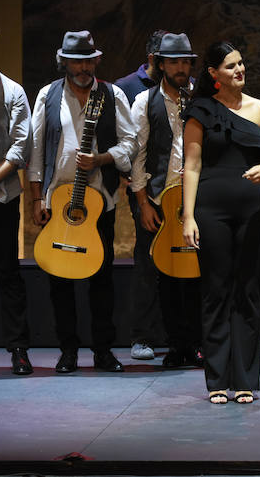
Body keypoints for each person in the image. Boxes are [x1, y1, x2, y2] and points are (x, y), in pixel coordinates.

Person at [182, 41, 260, 404]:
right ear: (213, 74)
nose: (240, 70)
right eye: (231, 66)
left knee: (248, 289)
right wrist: (187, 216)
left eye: (241, 63)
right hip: (210, 211)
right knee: (215, 291)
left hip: (254, 210)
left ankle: (244, 378)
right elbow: (191, 167)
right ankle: (216, 380)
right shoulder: (199, 111)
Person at [28, 30, 137, 373]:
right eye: (77, 60)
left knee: (101, 280)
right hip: (57, 199)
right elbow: (34, 150)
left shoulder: (111, 94)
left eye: (89, 59)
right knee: (59, 280)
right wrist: (35, 197)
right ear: (64, 61)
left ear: (96, 61)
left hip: (99, 202)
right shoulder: (48, 95)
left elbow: (131, 142)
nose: (83, 66)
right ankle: (68, 351)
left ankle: (103, 351)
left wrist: (102, 159)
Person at [130, 33, 203, 369]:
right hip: (159, 198)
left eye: (186, 62)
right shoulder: (145, 101)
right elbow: (138, 156)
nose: (181, 68)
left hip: (195, 200)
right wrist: (144, 203)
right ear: (160, 64)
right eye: (174, 62)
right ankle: (175, 344)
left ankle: (198, 343)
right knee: (164, 272)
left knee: (198, 272)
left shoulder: (202, 99)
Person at [0, 22, 34, 375]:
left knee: (8, 272)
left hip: (2, 195)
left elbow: (22, 144)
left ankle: (19, 349)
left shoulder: (13, 91)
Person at [119, 29, 167, 361]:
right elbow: (120, 140)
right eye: (169, 60)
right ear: (153, 59)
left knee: (182, 261)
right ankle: (141, 336)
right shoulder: (126, 88)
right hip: (142, 190)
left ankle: (180, 336)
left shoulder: (185, 90)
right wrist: (132, 185)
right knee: (147, 260)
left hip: (178, 190)